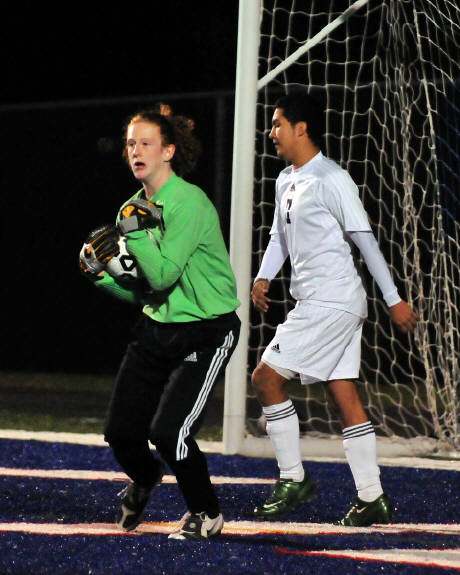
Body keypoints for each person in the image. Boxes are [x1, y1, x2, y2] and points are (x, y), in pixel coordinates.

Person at [251, 92, 418, 526]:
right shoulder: (285, 179)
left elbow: (366, 241)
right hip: (325, 302)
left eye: (277, 124)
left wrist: (394, 299)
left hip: (331, 302)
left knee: (265, 378)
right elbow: (278, 237)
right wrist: (263, 277)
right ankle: (372, 498)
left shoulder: (333, 178)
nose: (271, 132)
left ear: (301, 128)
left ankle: (293, 478)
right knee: (343, 395)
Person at [79, 104, 240, 540]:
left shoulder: (189, 202)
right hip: (157, 326)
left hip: (207, 329)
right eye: (131, 143)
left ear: (168, 151)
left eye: (146, 143)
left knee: (170, 432)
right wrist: (101, 278)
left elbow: (165, 274)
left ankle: (207, 513)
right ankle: (146, 477)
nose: (136, 151)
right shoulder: (130, 209)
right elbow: (145, 291)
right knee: (120, 433)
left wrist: (133, 234)